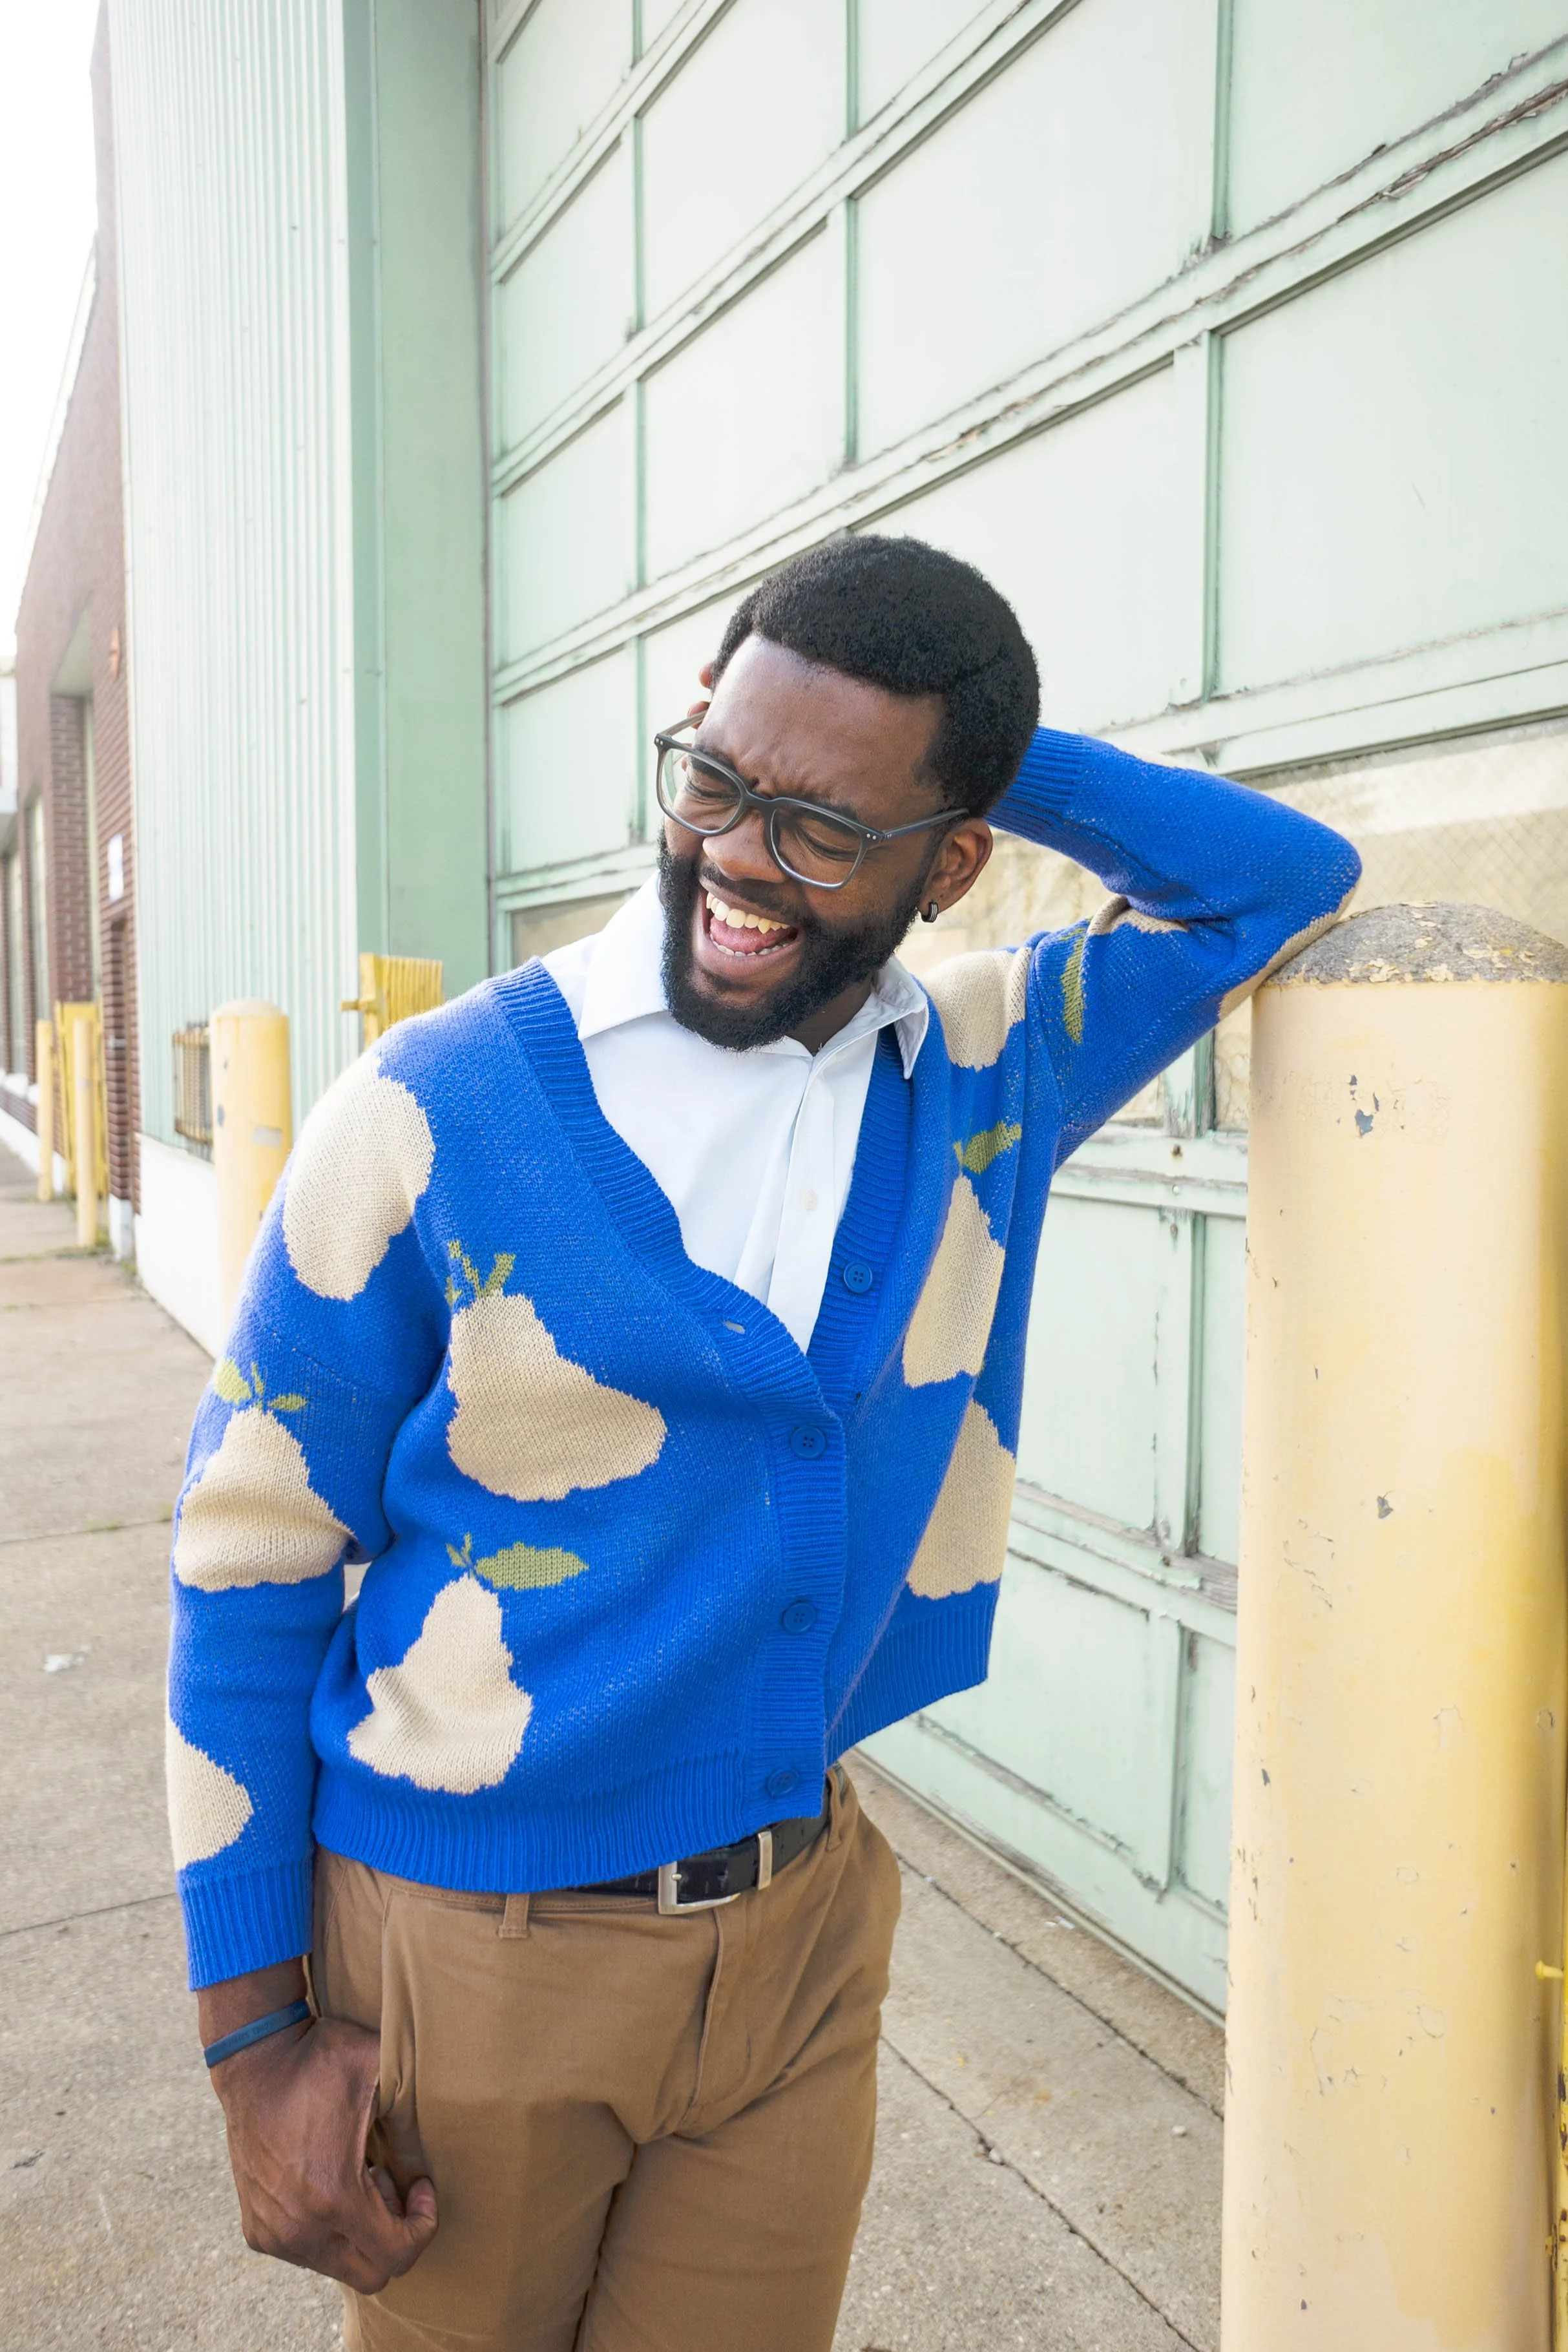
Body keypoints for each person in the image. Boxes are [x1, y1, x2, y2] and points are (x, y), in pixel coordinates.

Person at [169, 534, 1359, 2351]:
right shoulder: (433, 1107)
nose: (731, 856)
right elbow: (245, 1561)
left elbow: (1277, 886)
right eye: (712, 778)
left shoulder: (982, 1071)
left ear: (955, 861)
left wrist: (971, 733)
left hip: (801, 1939)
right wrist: (254, 2041)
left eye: (819, 828)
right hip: (476, 1946)